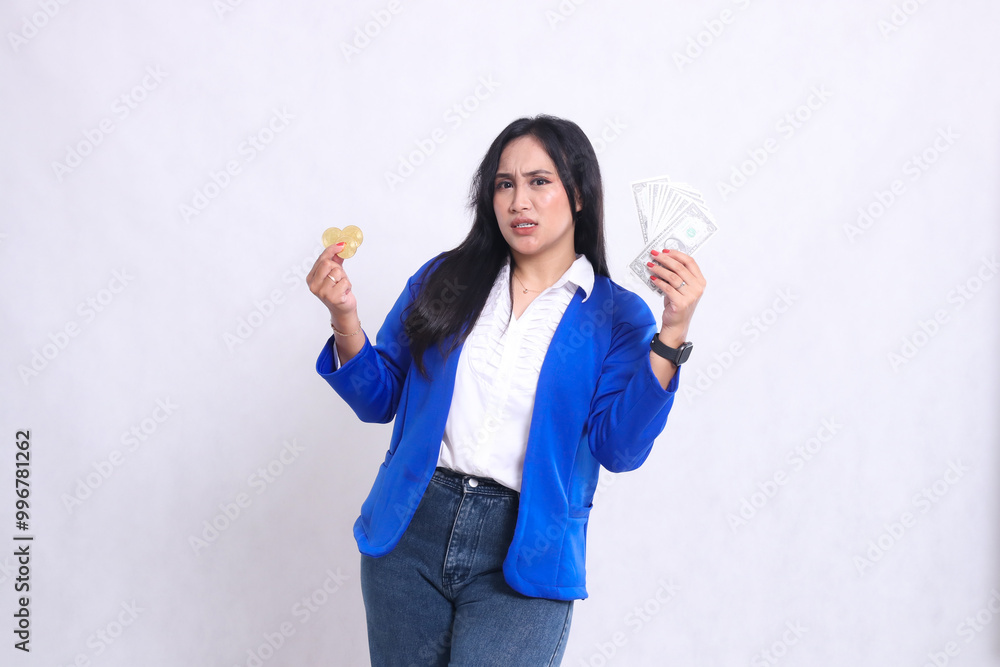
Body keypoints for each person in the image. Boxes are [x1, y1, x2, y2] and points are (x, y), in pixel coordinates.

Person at [307, 115, 706, 666]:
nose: (520, 200)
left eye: (540, 181)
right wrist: (345, 318)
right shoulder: (444, 279)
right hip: (409, 534)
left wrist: (673, 335)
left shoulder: (617, 316)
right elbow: (379, 399)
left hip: (528, 545)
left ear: (580, 195)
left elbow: (620, 449)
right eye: (505, 183)